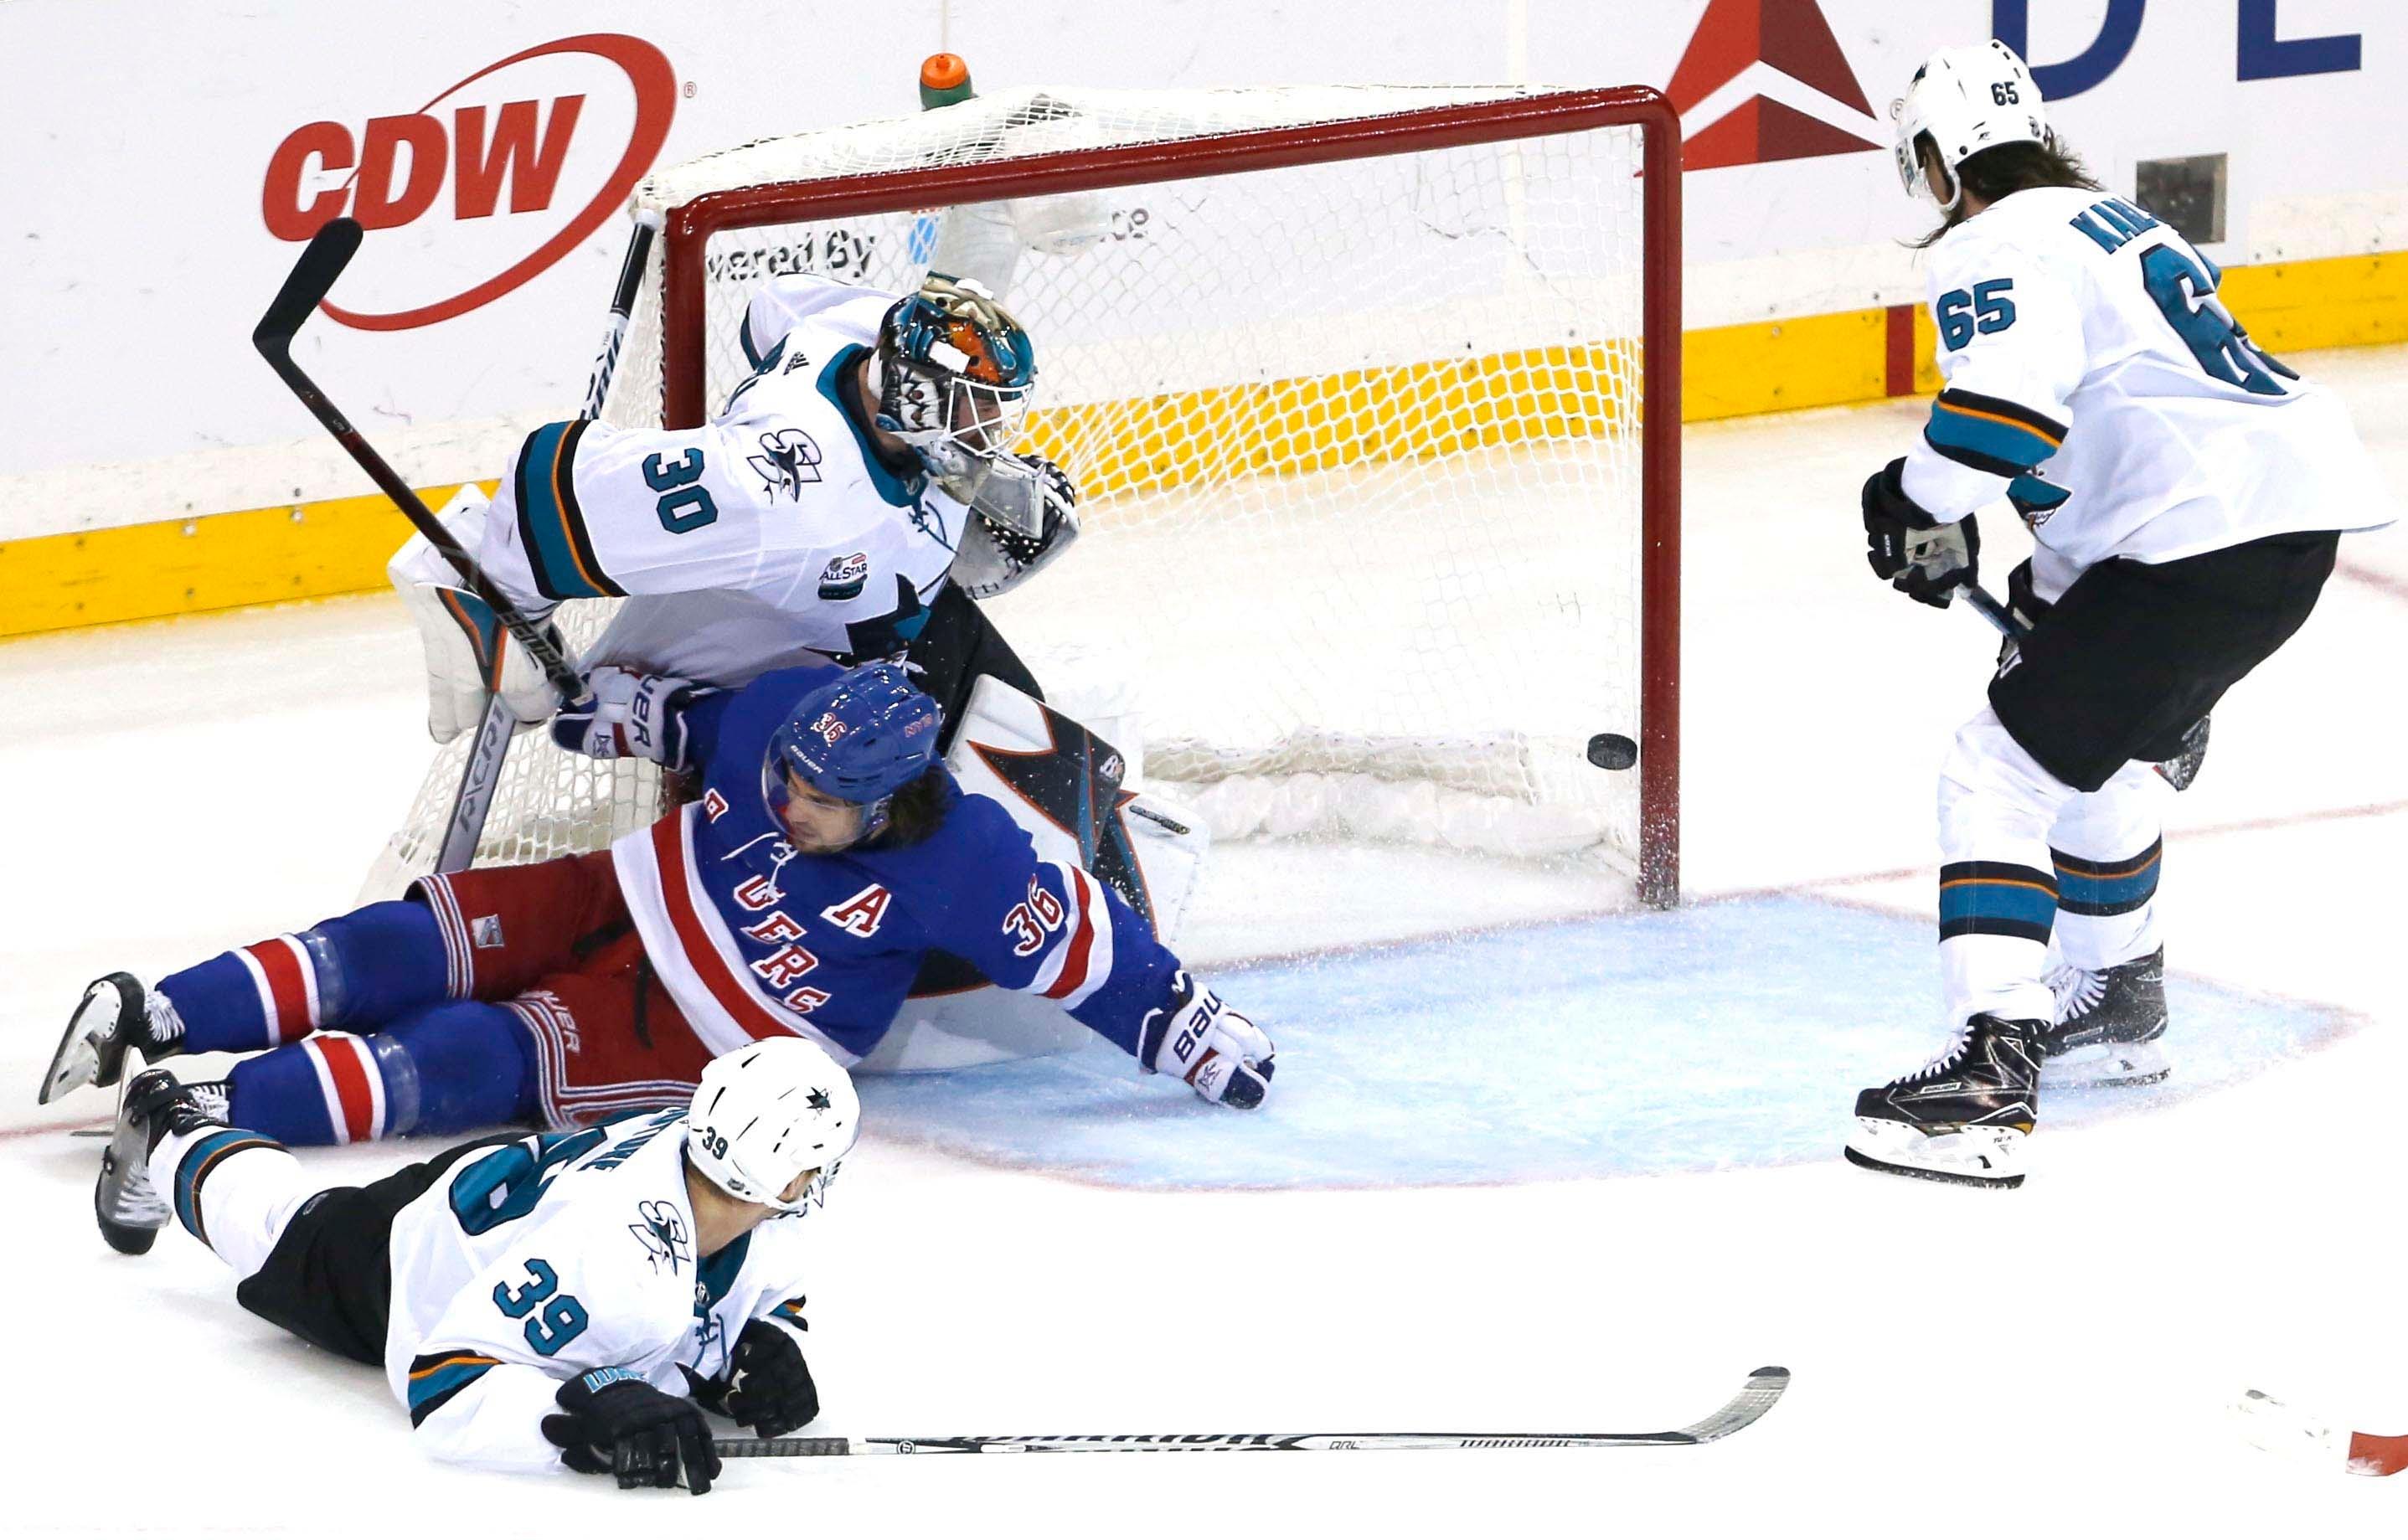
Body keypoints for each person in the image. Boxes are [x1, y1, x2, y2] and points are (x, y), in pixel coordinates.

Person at [1844, 41, 2394, 1187]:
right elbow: (2099, 448)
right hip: (2282, 534)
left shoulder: (1991, 241)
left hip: (2190, 545)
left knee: (1995, 771)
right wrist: (2042, 605)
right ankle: (2122, 997)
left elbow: (1999, 421)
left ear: (1938, 165)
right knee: (2088, 754)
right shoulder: (2107, 225)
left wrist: (1909, 501)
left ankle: (1984, 1079)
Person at [41, 662, 1274, 1151]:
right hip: (627, 882)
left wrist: (1192, 1027)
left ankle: (205, 1101)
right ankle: (152, 1006)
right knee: (402, 938)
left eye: (816, 797)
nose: (784, 797)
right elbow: (664, 716)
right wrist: (578, 692)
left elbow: (1098, 957)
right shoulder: (785, 712)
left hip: (716, 1023)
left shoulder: (967, 857)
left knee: (474, 1055)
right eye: (781, 773)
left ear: (891, 801)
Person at [89, 1037, 852, 1489]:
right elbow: (444, 1382)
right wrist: (579, 1427)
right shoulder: (609, 1254)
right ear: (789, 1179)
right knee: (281, 1228)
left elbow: (746, 1281)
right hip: (407, 1255)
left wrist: (767, 1337)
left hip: (508, 1189)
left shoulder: (721, 1159)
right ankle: (164, 1122)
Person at [397, 268, 1079, 750]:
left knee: (1044, 769)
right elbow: (553, 482)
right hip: (783, 706)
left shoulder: (855, 328)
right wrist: (503, 601)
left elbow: (772, 309)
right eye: (975, 410)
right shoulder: (786, 498)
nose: (989, 432)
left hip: (885, 646)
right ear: (915, 394)